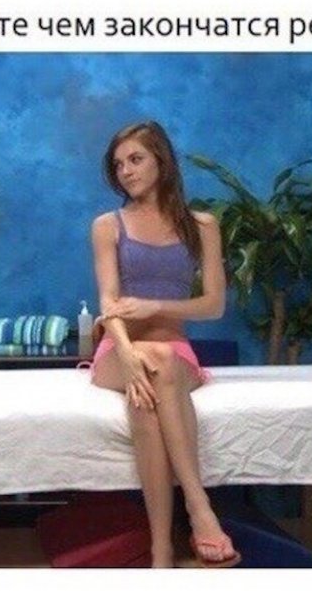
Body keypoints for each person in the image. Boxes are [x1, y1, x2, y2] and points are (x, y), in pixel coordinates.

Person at [88, 120, 240, 568]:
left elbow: (213, 306)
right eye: (119, 165)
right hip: (117, 351)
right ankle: (200, 510)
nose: (126, 171)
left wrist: (154, 306)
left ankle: (161, 551)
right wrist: (128, 355)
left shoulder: (202, 225)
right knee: (153, 361)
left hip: (175, 353)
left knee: (148, 398)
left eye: (136, 159)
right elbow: (108, 304)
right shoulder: (107, 226)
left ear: (162, 160)